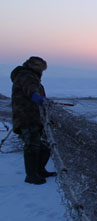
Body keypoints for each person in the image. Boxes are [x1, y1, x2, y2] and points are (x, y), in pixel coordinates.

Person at [10, 56, 56, 184]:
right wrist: (37, 97)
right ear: (33, 66)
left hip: (36, 117)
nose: (42, 71)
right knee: (32, 145)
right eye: (41, 68)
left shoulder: (33, 78)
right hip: (26, 117)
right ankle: (31, 175)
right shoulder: (25, 76)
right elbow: (31, 90)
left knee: (45, 145)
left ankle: (39, 170)